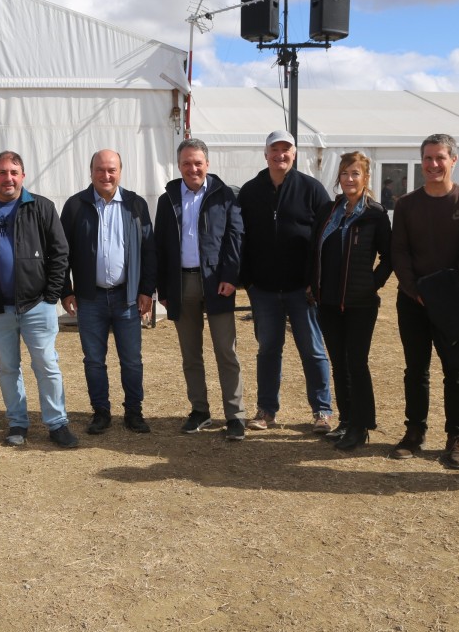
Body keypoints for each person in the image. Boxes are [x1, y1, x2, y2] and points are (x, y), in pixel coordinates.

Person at [0, 150, 76, 448]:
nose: (8, 178)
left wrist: (51, 296)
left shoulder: (42, 207)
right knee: (8, 368)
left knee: (47, 365)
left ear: (23, 176)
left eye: (13, 172)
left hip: (37, 305)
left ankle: (57, 423)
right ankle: (18, 423)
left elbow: (60, 253)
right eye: (2, 172)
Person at [390, 133, 459, 468]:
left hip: (454, 300)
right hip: (412, 300)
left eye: (440, 157)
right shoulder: (406, 204)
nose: (433, 164)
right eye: (428, 158)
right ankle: (414, 431)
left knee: (456, 371)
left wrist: (440, 291)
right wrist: (415, 290)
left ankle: (457, 438)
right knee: (415, 369)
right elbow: (399, 251)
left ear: (453, 160)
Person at [238, 130, 334, 434]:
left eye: (286, 149)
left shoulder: (312, 189)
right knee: (268, 350)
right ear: (265, 154)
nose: (280, 155)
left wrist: (315, 280)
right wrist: (248, 281)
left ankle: (322, 411)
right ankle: (266, 411)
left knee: (313, 350)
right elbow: (240, 237)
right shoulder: (250, 191)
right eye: (275, 149)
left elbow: (327, 236)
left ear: (294, 154)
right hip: (263, 290)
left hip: (302, 290)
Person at [154, 138, 245, 440]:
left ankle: (235, 415)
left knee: (226, 351)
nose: (192, 168)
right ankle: (200, 411)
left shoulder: (225, 195)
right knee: (190, 354)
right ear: (178, 165)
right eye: (186, 163)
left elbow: (235, 237)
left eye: (197, 163)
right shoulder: (167, 199)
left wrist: (231, 276)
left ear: (207, 163)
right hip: (181, 284)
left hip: (217, 283)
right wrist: (163, 289)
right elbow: (160, 245)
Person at [61, 149, 156, 435]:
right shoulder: (75, 206)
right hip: (89, 299)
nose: (106, 175)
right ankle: (101, 412)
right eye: (100, 170)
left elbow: (148, 250)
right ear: (91, 172)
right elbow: (62, 253)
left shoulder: (135, 204)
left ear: (120, 172)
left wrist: (146, 290)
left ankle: (134, 412)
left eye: (111, 170)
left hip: (127, 297)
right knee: (93, 360)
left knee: (132, 360)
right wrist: (66, 290)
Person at [307, 152, 392, 450]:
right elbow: (314, 249)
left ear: (366, 178)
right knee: (339, 364)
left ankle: (361, 426)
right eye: (344, 173)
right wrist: (314, 285)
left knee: (356, 363)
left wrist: (372, 283)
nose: (349, 179)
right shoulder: (329, 211)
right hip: (328, 302)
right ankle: (345, 420)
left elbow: (389, 256)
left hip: (360, 303)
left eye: (355, 173)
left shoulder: (375, 214)